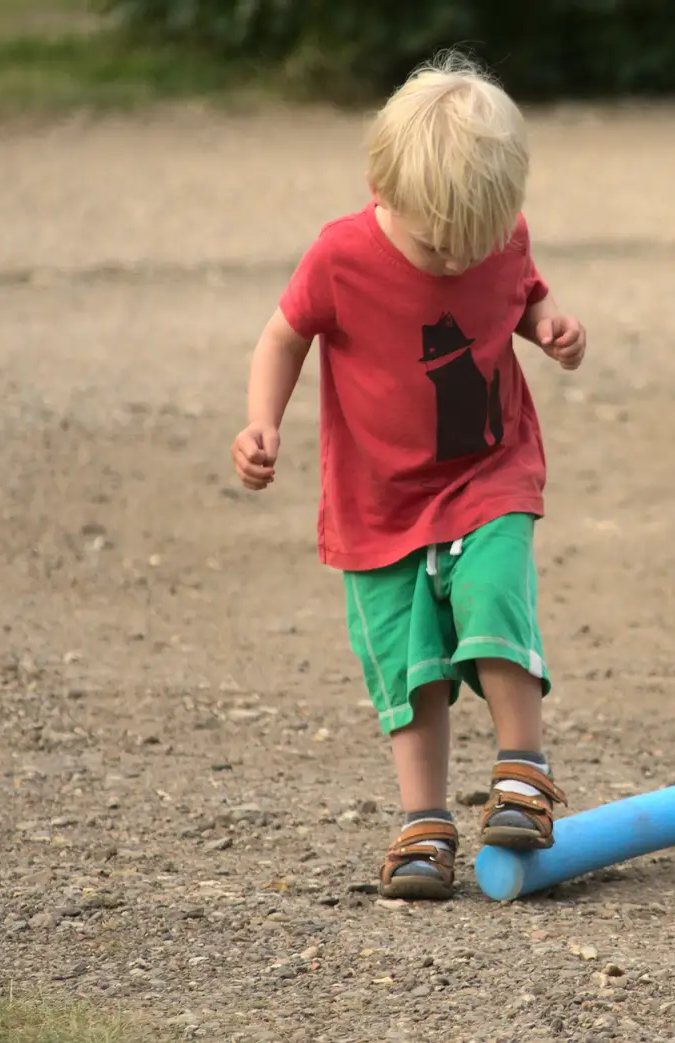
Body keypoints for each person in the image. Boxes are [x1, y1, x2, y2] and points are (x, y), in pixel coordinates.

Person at [228, 51, 586, 901]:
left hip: (489, 471)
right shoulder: (341, 257)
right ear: (381, 188)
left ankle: (522, 771)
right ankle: (424, 824)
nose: (460, 258)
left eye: (479, 241)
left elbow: (521, 293)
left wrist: (551, 324)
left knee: (495, 593)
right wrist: (261, 421)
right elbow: (283, 336)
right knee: (408, 659)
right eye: (441, 243)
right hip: (376, 502)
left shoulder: (496, 233)